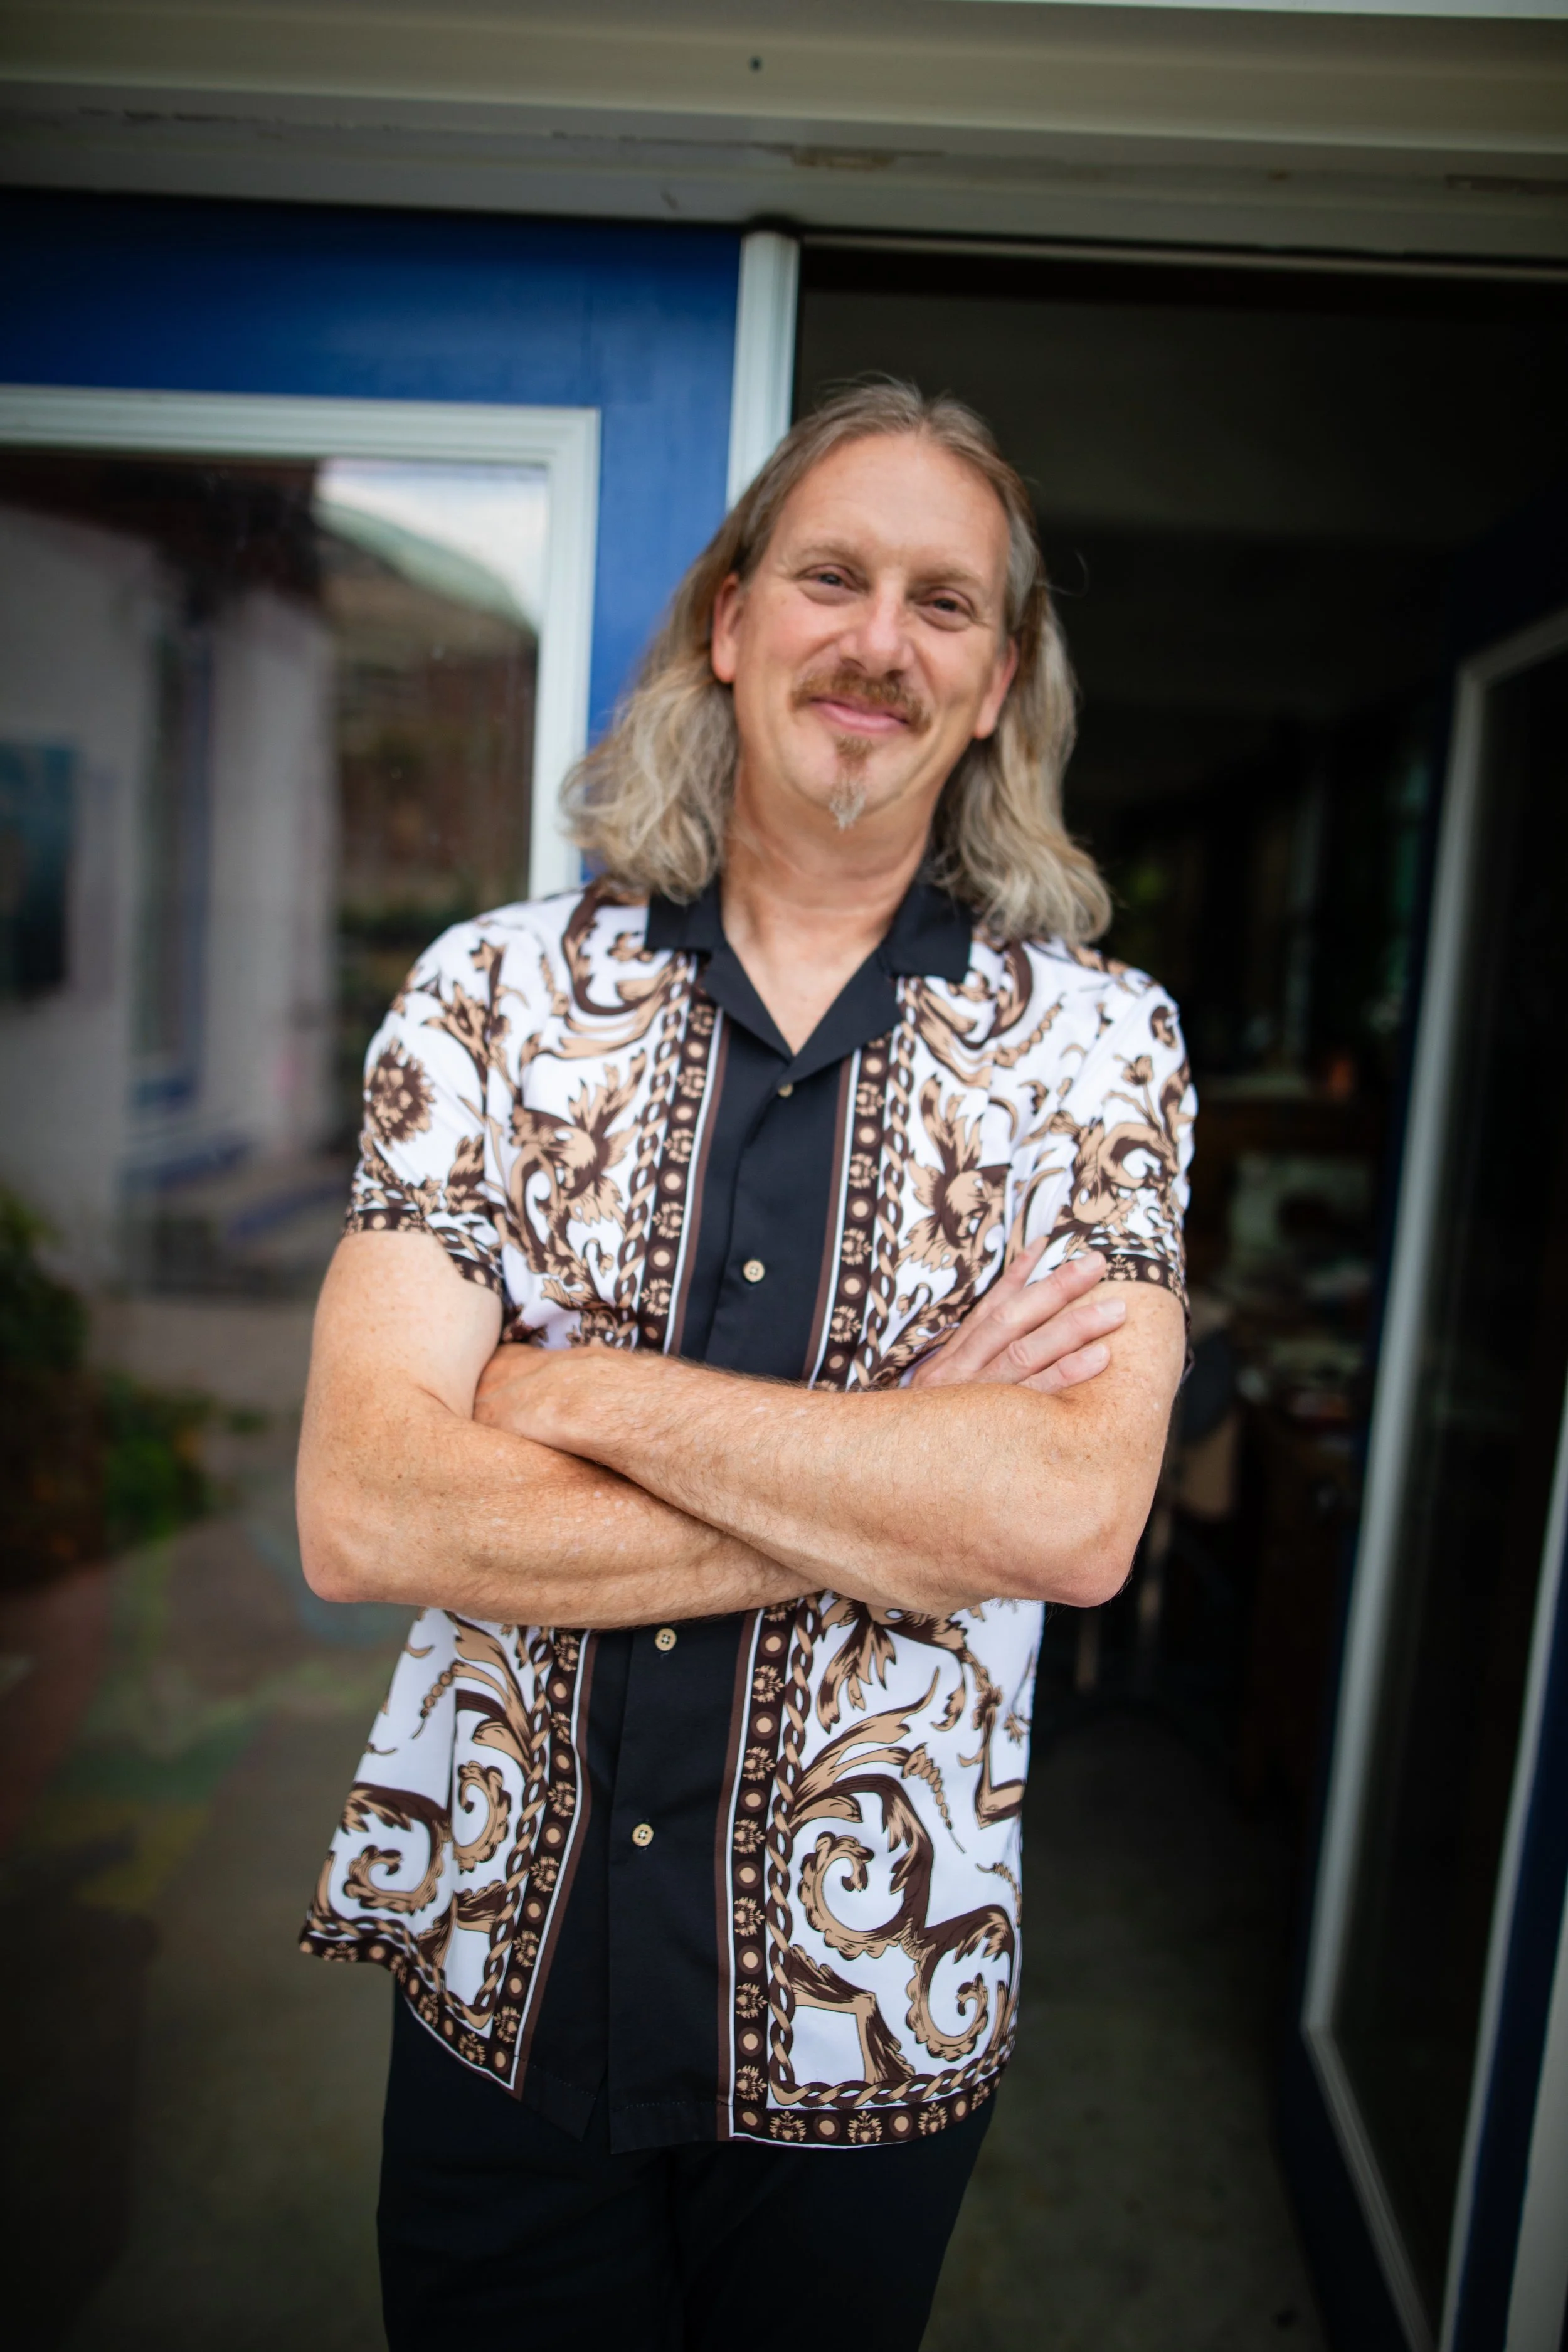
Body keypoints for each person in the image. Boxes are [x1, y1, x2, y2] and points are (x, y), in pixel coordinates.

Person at [297, 381, 1194, 2350]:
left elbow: (1065, 1512)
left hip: (865, 2028)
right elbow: (367, 1507)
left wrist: (559, 1392)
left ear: (997, 680)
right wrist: (897, 1486)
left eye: (943, 604)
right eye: (831, 576)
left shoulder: (1098, 1053)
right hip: (498, 1998)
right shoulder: (493, 1000)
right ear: (729, 618)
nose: (879, 639)